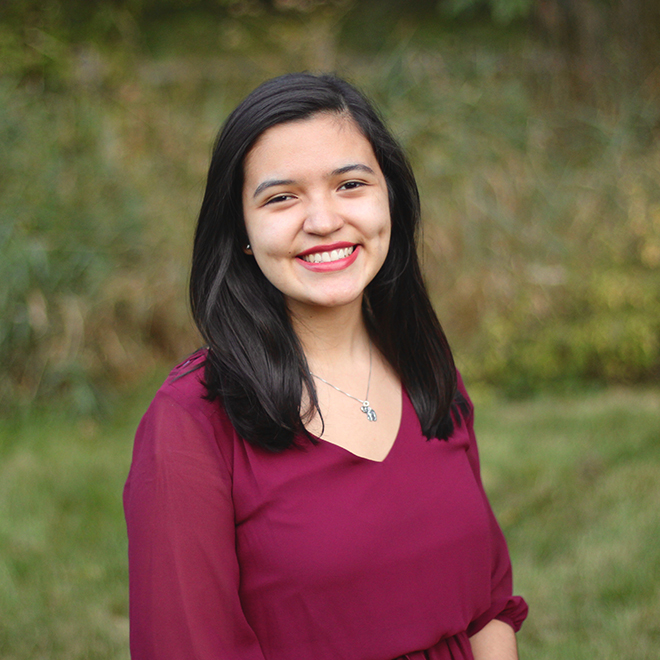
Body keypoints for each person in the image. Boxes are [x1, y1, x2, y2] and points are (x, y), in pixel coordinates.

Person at [123, 72, 528, 660]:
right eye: (281, 197)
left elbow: (489, 610)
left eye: (350, 184)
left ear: (389, 196)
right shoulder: (190, 425)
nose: (323, 220)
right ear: (241, 230)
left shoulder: (424, 365)